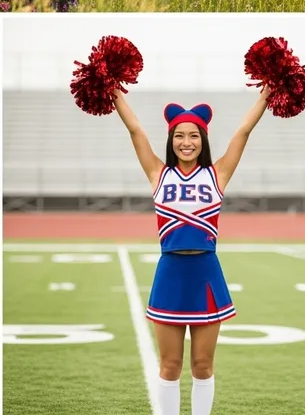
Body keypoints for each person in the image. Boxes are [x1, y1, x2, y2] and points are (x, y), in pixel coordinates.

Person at [112, 86, 270, 415]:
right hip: (170, 274)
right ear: (170, 140)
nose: (186, 142)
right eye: (179, 136)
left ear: (203, 139)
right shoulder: (159, 173)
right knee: (170, 366)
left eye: (194, 136)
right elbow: (135, 130)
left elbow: (243, 131)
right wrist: (113, 93)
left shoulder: (218, 174)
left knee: (202, 365)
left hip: (206, 276)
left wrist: (266, 97)